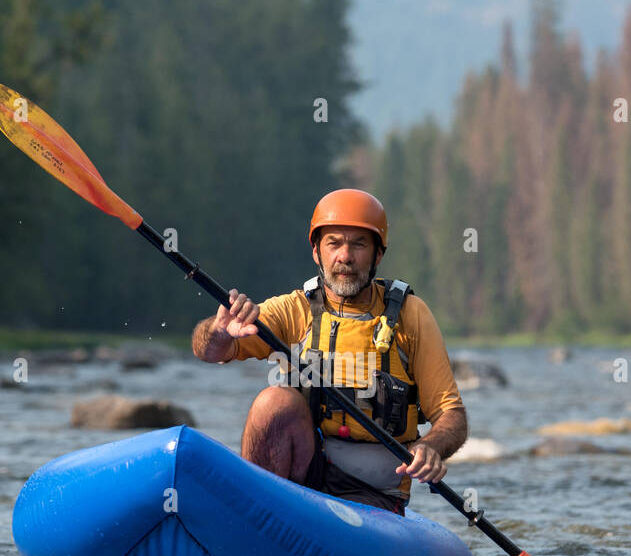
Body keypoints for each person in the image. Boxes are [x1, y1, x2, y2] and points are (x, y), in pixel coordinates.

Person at [191, 188, 468, 515]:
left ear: (378, 255)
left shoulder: (411, 315)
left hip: (373, 494)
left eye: (359, 244)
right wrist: (221, 330)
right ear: (316, 252)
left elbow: (452, 416)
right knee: (273, 402)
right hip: (305, 475)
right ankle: (259, 514)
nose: (345, 256)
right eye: (334, 243)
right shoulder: (295, 309)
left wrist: (430, 447)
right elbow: (207, 350)